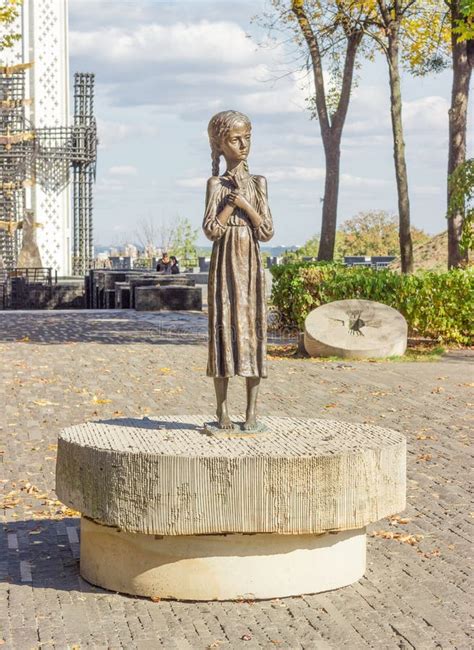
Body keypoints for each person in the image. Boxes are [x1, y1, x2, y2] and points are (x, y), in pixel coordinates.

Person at [202, 110, 274, 431]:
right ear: (220, 144)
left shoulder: (258, 183)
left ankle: (252, 412)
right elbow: (210, 230)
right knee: (224, 329)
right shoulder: (215, 184)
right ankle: (222, 411)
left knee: (252, 331)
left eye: (248, 138)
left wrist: (245, 205)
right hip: (224, 266)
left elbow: (267, 230)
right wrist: (229, 204)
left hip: (250, 265)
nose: (243, 145)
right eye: (235, 139)